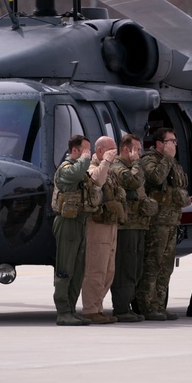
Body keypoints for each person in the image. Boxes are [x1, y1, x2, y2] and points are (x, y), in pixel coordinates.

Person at [138, 128, 192, 321]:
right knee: (153, 263)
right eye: (170, 141)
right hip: (157, 221)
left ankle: (159, 305)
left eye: (175, 142)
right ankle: (146, 305)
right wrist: (168, 159)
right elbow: (155, 178)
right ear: (159, 143)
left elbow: (181, 183)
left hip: (171, 220)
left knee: (166, 265)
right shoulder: (149, 160)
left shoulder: (173, 162)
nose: (174, 145)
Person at [110, 133, 155, 323]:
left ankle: (128, 305)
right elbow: (133, 181)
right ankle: (121, 308)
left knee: (136, 268)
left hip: (138, 225)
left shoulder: (131, 167)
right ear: (127, 149)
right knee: (125, 268)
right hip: (125, 227)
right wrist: (137, 164)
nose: (140, 153)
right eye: (137, 149)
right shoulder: (118, 166)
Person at [52, 135, 96, 326]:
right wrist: (86, 158)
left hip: (79, 221)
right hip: (67, 223)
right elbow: (77, 174)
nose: (89, 153)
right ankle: (63, 311)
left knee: (78, 270)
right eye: (86, 150)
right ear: (75, 151)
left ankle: (71, 308)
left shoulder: (81, 169)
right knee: (65, 268)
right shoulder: (66, 169)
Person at [79, 135, 120, 324]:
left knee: (108, 269)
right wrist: (106, 162)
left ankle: (98, 306)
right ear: (100, 150)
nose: (114, 153)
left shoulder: (110, 167)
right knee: (96, 268)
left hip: (110, 223)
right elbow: (96, 181)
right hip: (96, 225)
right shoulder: (92, 165)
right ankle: (89, 309)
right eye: (111, 149)